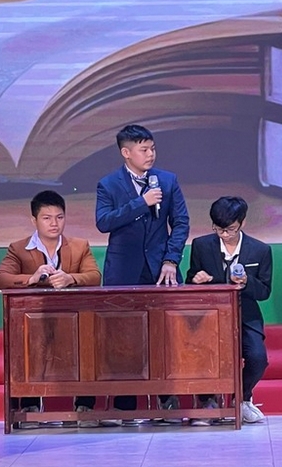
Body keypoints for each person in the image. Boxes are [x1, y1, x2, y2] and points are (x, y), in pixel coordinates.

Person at [95, 124, 190, 421]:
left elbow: (181, 223)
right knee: (123, 335)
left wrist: (171, 260)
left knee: (166, 334)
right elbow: (103, 222)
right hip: (124, 271)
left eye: (152, 148)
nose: (150, 154)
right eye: (143, 149)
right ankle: (125, 404)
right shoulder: (108, 184)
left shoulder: (168, 180)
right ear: (126, 153)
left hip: (161, 269)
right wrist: (141, 203)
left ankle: (167, 398)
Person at [0, 190, 102, 427]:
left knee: (87, 340)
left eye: (59, 217)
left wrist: (71, 278)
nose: (54, 223)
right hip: (34, 320)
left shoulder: (79, 246)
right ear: (34, 220)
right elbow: (0, 278)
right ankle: (29, 405)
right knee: (27, 343)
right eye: (47, 218)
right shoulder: (19, 249)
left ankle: (84, 405)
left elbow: (94, 276)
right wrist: (31, 279)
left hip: (74, 319)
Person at [186, 197, 272, 425]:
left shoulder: (260, 250)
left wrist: (246, 282)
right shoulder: (201, 246)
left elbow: (264, 291)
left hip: (246, 316)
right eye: (219, 229)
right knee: (201, 354)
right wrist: (196, 280)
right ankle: (207, 402)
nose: (224, 234)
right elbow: (191, 279)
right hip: (209, 316)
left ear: (242, 223)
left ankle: (242, 398)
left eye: (230, 229)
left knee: (257, 358)